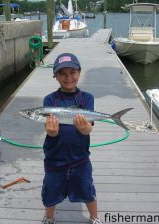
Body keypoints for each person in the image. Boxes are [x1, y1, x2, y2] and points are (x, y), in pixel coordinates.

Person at [41, 53, 102, 224]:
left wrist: (84, 128)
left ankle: (95, 218)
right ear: (55, 76)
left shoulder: (86, 98)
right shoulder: (50, 100)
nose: (68, 78)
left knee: (87, 189)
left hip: (80, 157)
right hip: (54, 158)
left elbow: (88, 128)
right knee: (50, 190)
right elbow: (50, 131)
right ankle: (49, 217)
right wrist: (52, 132)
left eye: (72, 72)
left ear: (79, 72)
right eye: (62, 73)